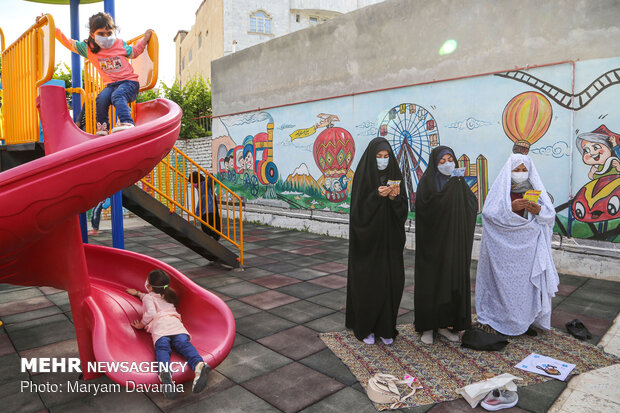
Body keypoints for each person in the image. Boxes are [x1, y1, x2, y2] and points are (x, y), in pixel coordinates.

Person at [475, 153, 559, 336]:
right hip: (503, 251)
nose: (520, 173)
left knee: (525, 289)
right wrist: (511, 208)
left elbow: (549, 216)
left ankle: (525, 321)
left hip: (528, 250)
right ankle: (501, 320)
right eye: (516, 170)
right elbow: (488, 215)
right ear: (509, 170)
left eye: (524, 170)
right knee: (503, 288)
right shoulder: (500, 189)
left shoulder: (535, 188)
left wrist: (538, 210)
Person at [345, 137, 408, 345]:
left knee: (391, 282)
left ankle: (386, 327)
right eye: (379, 157)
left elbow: (402, 212)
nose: (383, 161)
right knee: (369, 284)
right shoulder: (364, 177)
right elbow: (357, 213)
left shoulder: (395, 176)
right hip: (368, 245)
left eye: (386, 156)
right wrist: (375, 196)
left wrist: (393, 199)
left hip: (390, 243)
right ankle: (365, 328)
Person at [414, 146, 478, 344]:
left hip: (453, 244)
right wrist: (447, 194)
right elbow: (424, 209)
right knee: (431, 284)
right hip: (432, 245)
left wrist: (457, 188)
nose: (447, 163)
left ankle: (444, 325)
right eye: (442, 161)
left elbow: (472, 206)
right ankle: (426, 327)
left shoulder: (458, 183)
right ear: (434, 163)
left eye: (450, 159)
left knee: (449, 284)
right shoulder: (427, 183)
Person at [55, 12, 152, 135]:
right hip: (111, 85)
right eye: (101, 34)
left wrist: (144, 39)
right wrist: (53, 29)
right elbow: (69, 43)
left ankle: (127, 122)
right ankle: (103, 128)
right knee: (101, 98)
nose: (106, 37)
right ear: (92, 34)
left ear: (113, 32)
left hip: (129, 83)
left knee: (118, 95)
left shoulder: (119, 44)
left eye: (109, 33)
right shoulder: (89, 48)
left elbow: (134, 52)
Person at [126, 269, 210, 399]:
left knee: (162, 348)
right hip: (176, 325)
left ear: (149, 286)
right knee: (183, 343)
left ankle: (165, 373)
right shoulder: (169, 294)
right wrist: (138, 293)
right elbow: (152, 297)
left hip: (160, 327)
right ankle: (199, 365)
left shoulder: (149, 297)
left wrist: (141, 324)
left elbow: (151, 313)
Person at [191, 171, 221, 241]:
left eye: (193, 183)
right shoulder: (199, 188)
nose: (193, 184)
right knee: (205, 226)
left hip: (210, 209)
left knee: (206, 226)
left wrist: (210, 175)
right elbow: (201, 201)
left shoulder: (204, 183)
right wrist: (197, 211)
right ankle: (213, 237)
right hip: (205, 210)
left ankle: (215, 235)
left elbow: (213, 181)